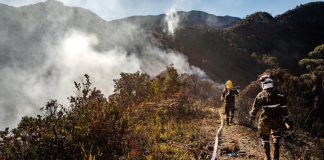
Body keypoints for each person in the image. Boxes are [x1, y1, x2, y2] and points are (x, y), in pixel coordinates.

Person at [249, 74, 291, 160]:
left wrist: (252, 117)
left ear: (263, 84)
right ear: (271, 83)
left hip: (265, 120)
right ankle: (276, 157)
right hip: (277, 119)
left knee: (265, 138)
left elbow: (255, 109)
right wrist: (286, 119)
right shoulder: (280, 94)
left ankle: (267, 157)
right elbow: (284, 108)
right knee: (276, 138)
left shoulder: (260, 95)